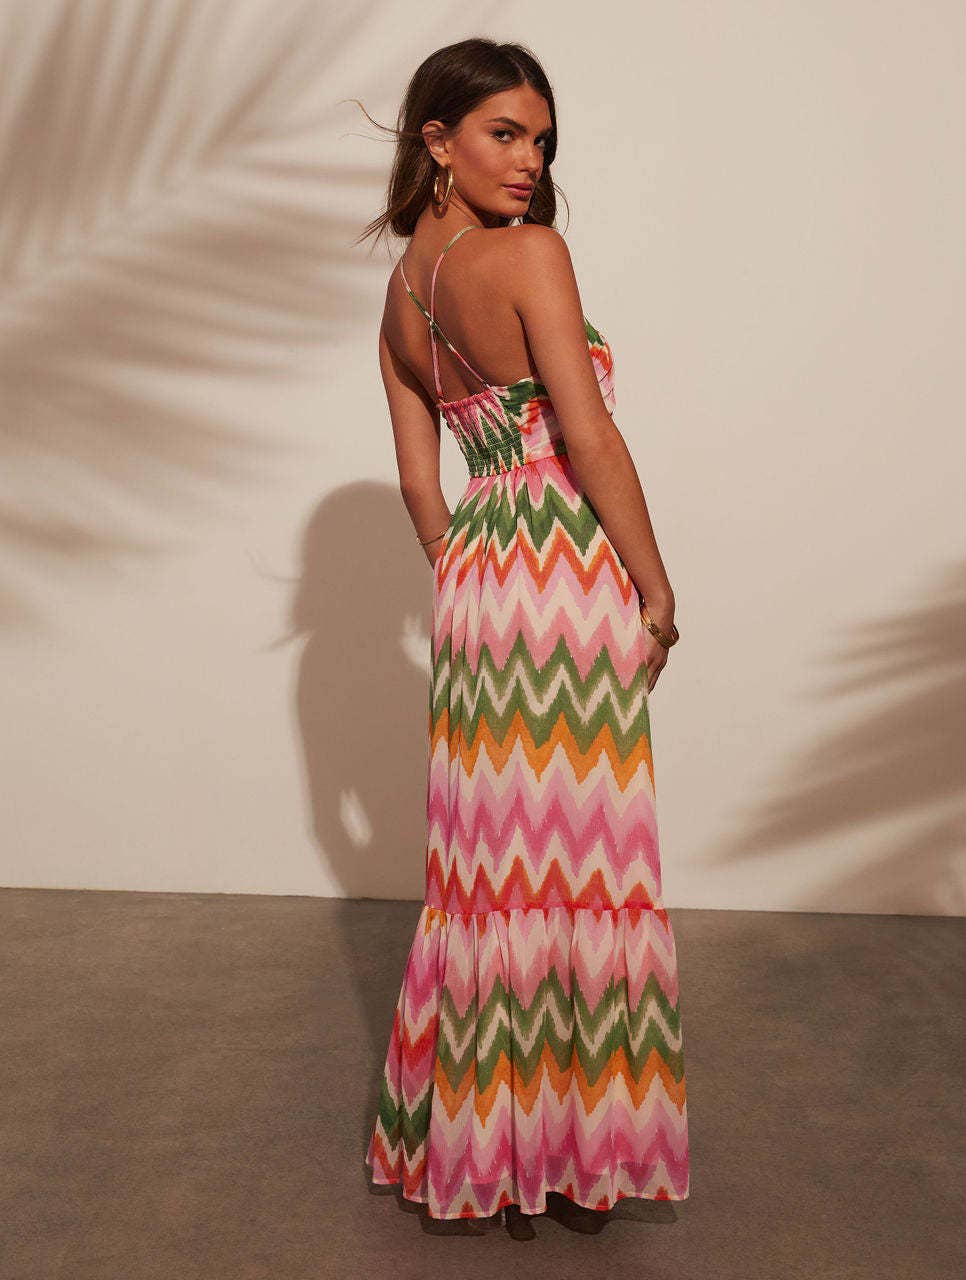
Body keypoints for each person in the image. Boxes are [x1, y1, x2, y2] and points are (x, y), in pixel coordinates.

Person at [359, 38, 690, 1235]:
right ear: (436, 139)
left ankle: (483, 1144)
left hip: (482, 577)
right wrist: (654, 587)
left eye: (541, 139)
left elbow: (420, 483)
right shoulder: (530, 254)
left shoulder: (401, 294)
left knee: (489, 864)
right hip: (562, 565)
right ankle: (572, 1152)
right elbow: (587, 435)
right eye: (504, 132)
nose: (530, 160)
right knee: (581, 859)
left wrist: (468, 570)